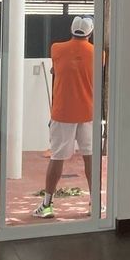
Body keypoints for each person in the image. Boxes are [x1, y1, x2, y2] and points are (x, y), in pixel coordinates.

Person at [33, 16, 95, 219]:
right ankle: (95, 203)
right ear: (90, 32)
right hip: (88, 113)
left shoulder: (56, 49)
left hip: (62, 113)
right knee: (90, 158)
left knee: (57, 157)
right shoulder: (98, 54)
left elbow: (58, 69)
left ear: (72, 30)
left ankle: (47, 204)